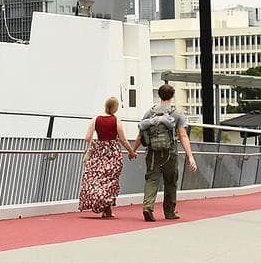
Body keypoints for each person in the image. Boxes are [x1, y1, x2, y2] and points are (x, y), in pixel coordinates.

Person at [133, 84, 198, 221]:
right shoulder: (177, 113)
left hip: (152, 153)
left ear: (159, 95)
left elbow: (141, 134)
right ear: (172, 96)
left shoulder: (150, 113)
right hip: (170, 152)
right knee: (171, 181)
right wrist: (190, 156)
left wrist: (133, 150)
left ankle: (148, 207)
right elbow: (183, 135)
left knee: (152, 179)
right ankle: (169, 212)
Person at [78, 96, 136, 218]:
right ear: (115, 108)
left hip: (99, 152)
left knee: (96, 179)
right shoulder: (116, 120)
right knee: (110, 180)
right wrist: (131, 152)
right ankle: (107, 208)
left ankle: (100, 203)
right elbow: (123, 140)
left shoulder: (95, 119)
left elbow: (87, 138)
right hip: (112, 153)